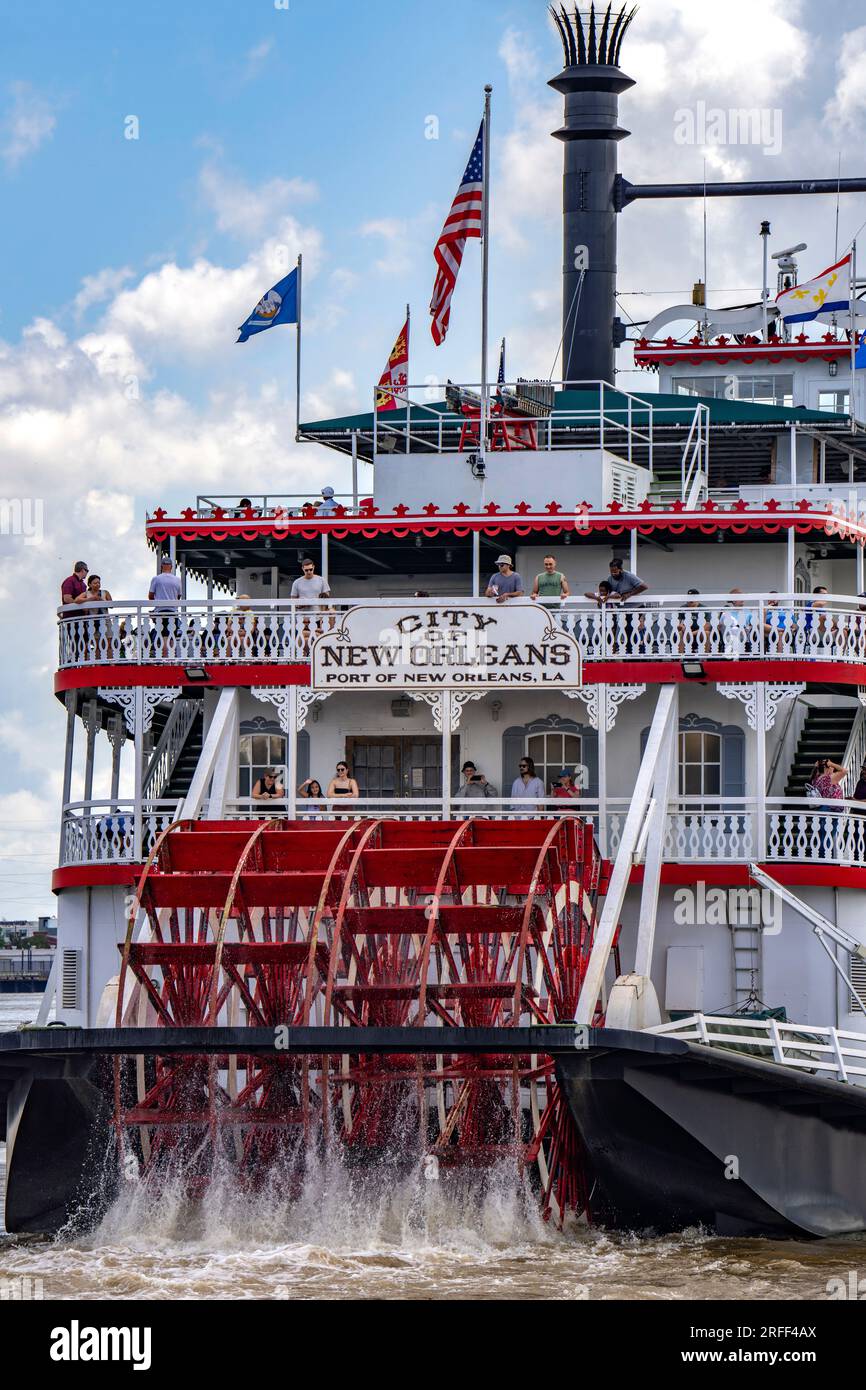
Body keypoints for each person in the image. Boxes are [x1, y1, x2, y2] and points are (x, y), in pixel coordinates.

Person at [148, 557, 183, 655]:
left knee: (163, 637)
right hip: (173, 611)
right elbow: (178, 596)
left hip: (161, 611)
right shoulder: (177, 580)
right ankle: (171, 659)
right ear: (171, 567)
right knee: (171, 637)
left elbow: (150, 596)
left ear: (161, 566)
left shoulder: (156, 579)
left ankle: (165, 659)